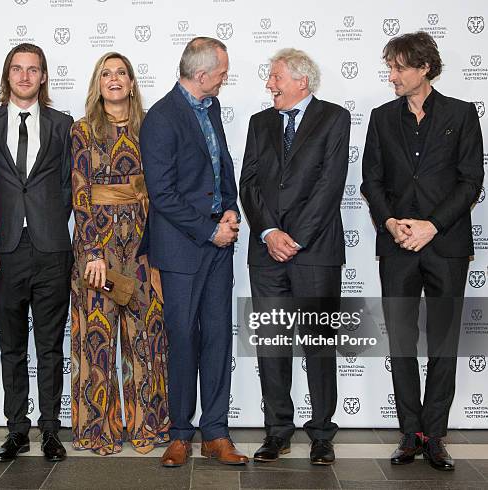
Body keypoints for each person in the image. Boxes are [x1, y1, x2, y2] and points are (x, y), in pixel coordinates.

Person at [361, 31, 484, 471]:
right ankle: (409, 433)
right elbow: (370, 180)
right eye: (390, 67)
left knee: (444, 344)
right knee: (400, 343)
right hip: (396, 247)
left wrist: (432, 225)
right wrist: (392, 222)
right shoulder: (380, 117)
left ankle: (434, 435)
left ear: (424, 68)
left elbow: (471, 180)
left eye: (398, 67)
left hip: (446, 245)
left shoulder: (462, 114)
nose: (391, 75)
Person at [140, 37, 247, 467]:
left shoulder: (212, 107)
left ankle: (216, 433)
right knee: (183, 340)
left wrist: (231, 213)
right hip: (183, 249)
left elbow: (222, 169)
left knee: (219, 338)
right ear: (202, 75)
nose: (225, 78)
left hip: (218, 244)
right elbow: (162, 194)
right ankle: (181, 433)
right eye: (222, 72)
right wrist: (209, 230)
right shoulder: (161, 119)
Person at [240, 48, 350, 465]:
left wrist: (295, 238)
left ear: (302, 81)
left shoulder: (334, 118)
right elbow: (248, 183)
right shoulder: (259, 122)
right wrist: (269, 232)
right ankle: (277, 431)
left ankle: (322, 433)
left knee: (318, 344)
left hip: (315, 251)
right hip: (266, 252)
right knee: (272, 342)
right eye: (270, 78)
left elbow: (330, 184)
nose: (270, 84)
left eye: (276, 77)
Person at [0, 43, 73, 463]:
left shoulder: (64, 125)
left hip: (52, 250)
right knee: (12, 348)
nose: (24, 76)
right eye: (16, 69)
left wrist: (52, 218)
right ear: (6, 75)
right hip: (4, 252)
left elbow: (74, 185)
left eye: (33, 70)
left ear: (44, 77)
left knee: (50, 347)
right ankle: (16, 430)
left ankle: (50, 430)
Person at [70, 52, 169, 456]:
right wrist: (93, 249)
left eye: (121, 73)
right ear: (98, 83)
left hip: (145, 246)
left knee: (148, 337)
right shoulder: (82, 130)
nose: (114, 79)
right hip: (99, 250)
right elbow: (79, 191)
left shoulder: (153, 127)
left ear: (131, 82)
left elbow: (163, 188)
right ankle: (98, 430)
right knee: (96, 337)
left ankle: (151, 427)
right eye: (106, 74)